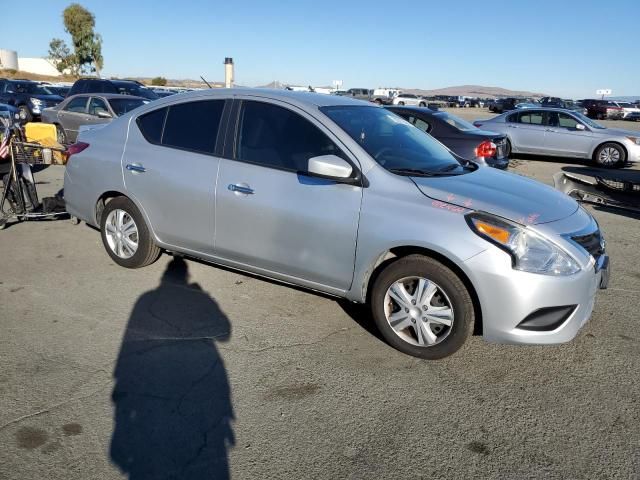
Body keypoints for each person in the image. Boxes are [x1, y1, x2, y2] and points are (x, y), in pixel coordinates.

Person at [110, 257, 234, 479]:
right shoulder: (198, 298)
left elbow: (125, 352)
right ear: (185, 277)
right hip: (202, 396)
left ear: (163, 277)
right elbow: (224, 332)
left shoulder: (146, 299)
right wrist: (207, 300)